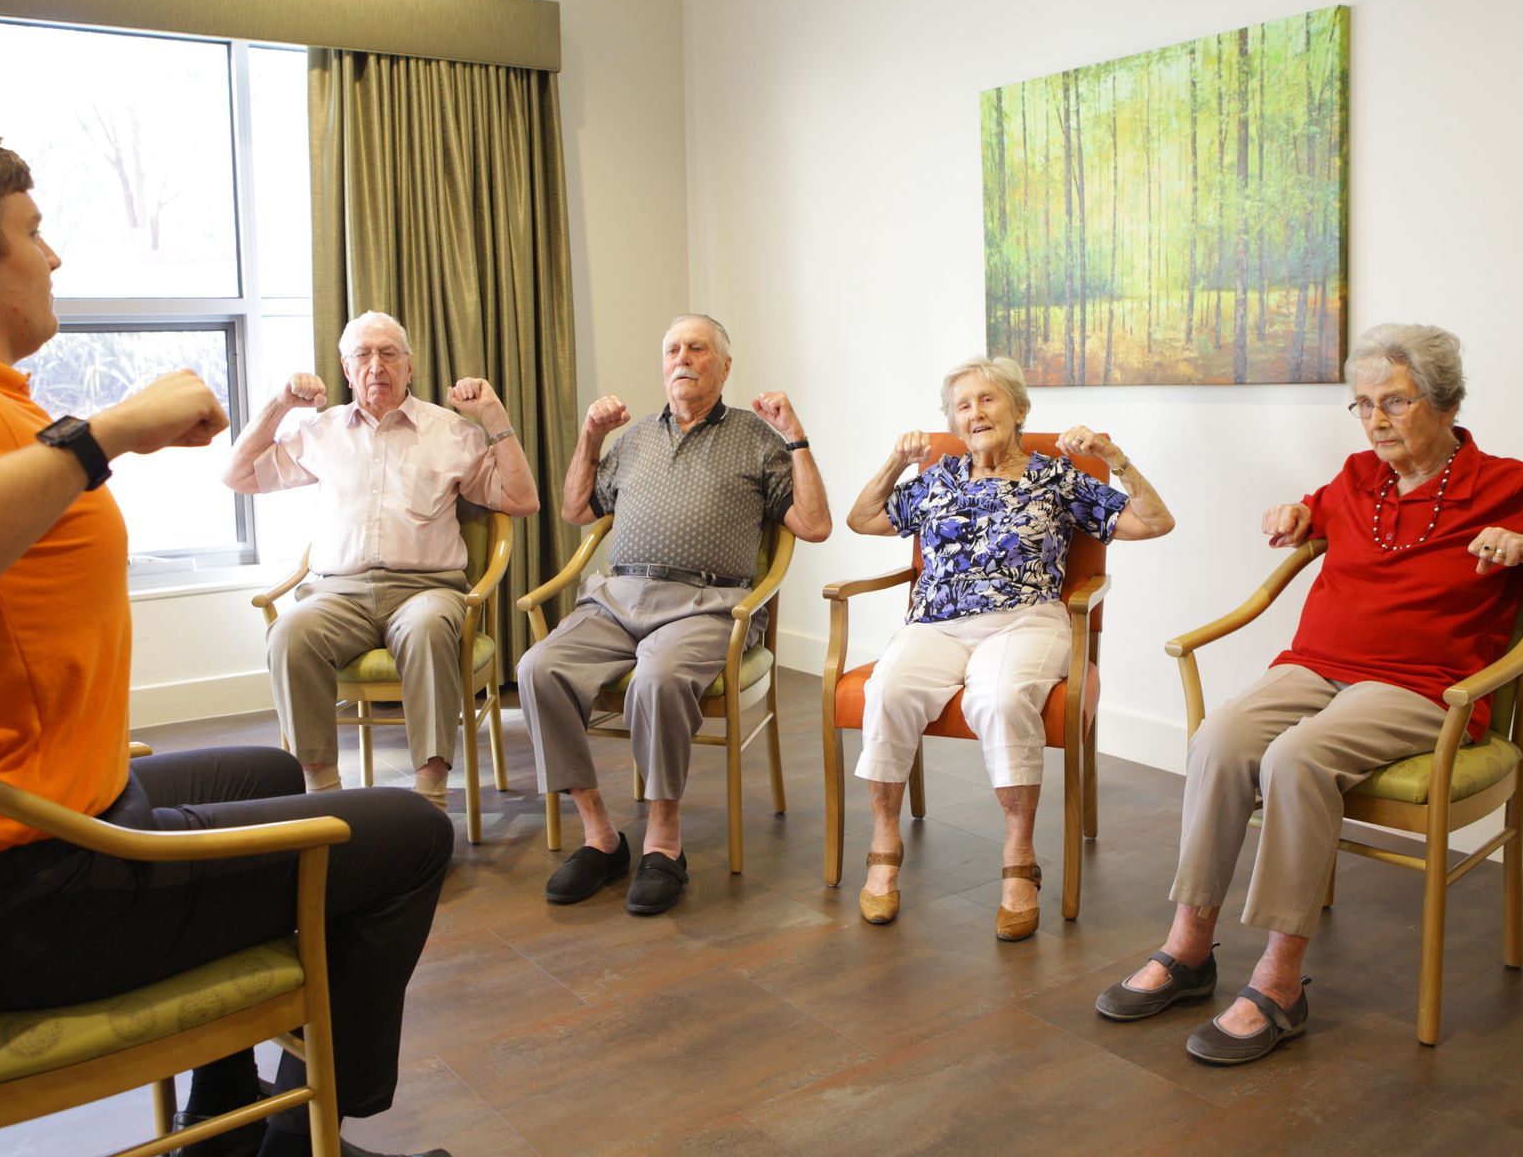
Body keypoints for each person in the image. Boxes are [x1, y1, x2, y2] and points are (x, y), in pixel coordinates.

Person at [0, 119, 453, 1157]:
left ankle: (222, 1122)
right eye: (31, 230)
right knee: (408, 837)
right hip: (36, 894)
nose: (53, 255)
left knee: (262, 766)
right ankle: (295, 1141)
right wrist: (103, 435)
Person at [1094, 322, 1523, 1065]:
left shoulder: (1512, 486)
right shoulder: (1358, 475)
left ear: (1445, 402)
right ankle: (1189, 946)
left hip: (1422, 686)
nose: (1375, 421)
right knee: (1220, 738)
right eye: (1362, 405)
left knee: (1297, 759)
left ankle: (1280, 980)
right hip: (1313, 664)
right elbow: (1316, 512)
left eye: (1393, 402)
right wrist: (1295, 515)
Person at [843, 355, 1174, 940]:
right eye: (963, 406)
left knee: (999, 696)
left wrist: (1112, 458)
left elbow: (1154, 523)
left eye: (989, 399)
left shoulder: (1057, 476)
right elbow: (862, 518)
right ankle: (884, 841)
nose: (976, 413)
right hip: (936, 624)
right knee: (888, 688)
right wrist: (898, 459)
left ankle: (1019, 857)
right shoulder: (938, 477)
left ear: (1020, 410)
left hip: (1027, 620)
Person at [517, 313, 831, 915]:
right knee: (538, 668)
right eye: (672, 350)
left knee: (659, 680)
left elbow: (813, 526)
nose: (682, 358)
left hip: (705, 605)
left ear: (724, 366)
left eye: (697, 348)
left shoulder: (755, 436)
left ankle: (664, 842)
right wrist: (589, 435)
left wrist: (796, 437)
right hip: (616, 599)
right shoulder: (633, 438)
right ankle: (600, 837)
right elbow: (577, 510)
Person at [222, 312, 540, 801]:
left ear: (409, 366)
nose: (376, 366)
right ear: (347, 371)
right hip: (337, 594)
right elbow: (238, 476)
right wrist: (278, 404)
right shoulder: (320, 432)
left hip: (426, 590)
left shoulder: (451, 432)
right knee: (288, 632)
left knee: (429, 627)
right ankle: (322, 788)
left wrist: (494, 417)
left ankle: (431, 788)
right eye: (363, 356)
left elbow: (522, 500)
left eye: (388, 353)